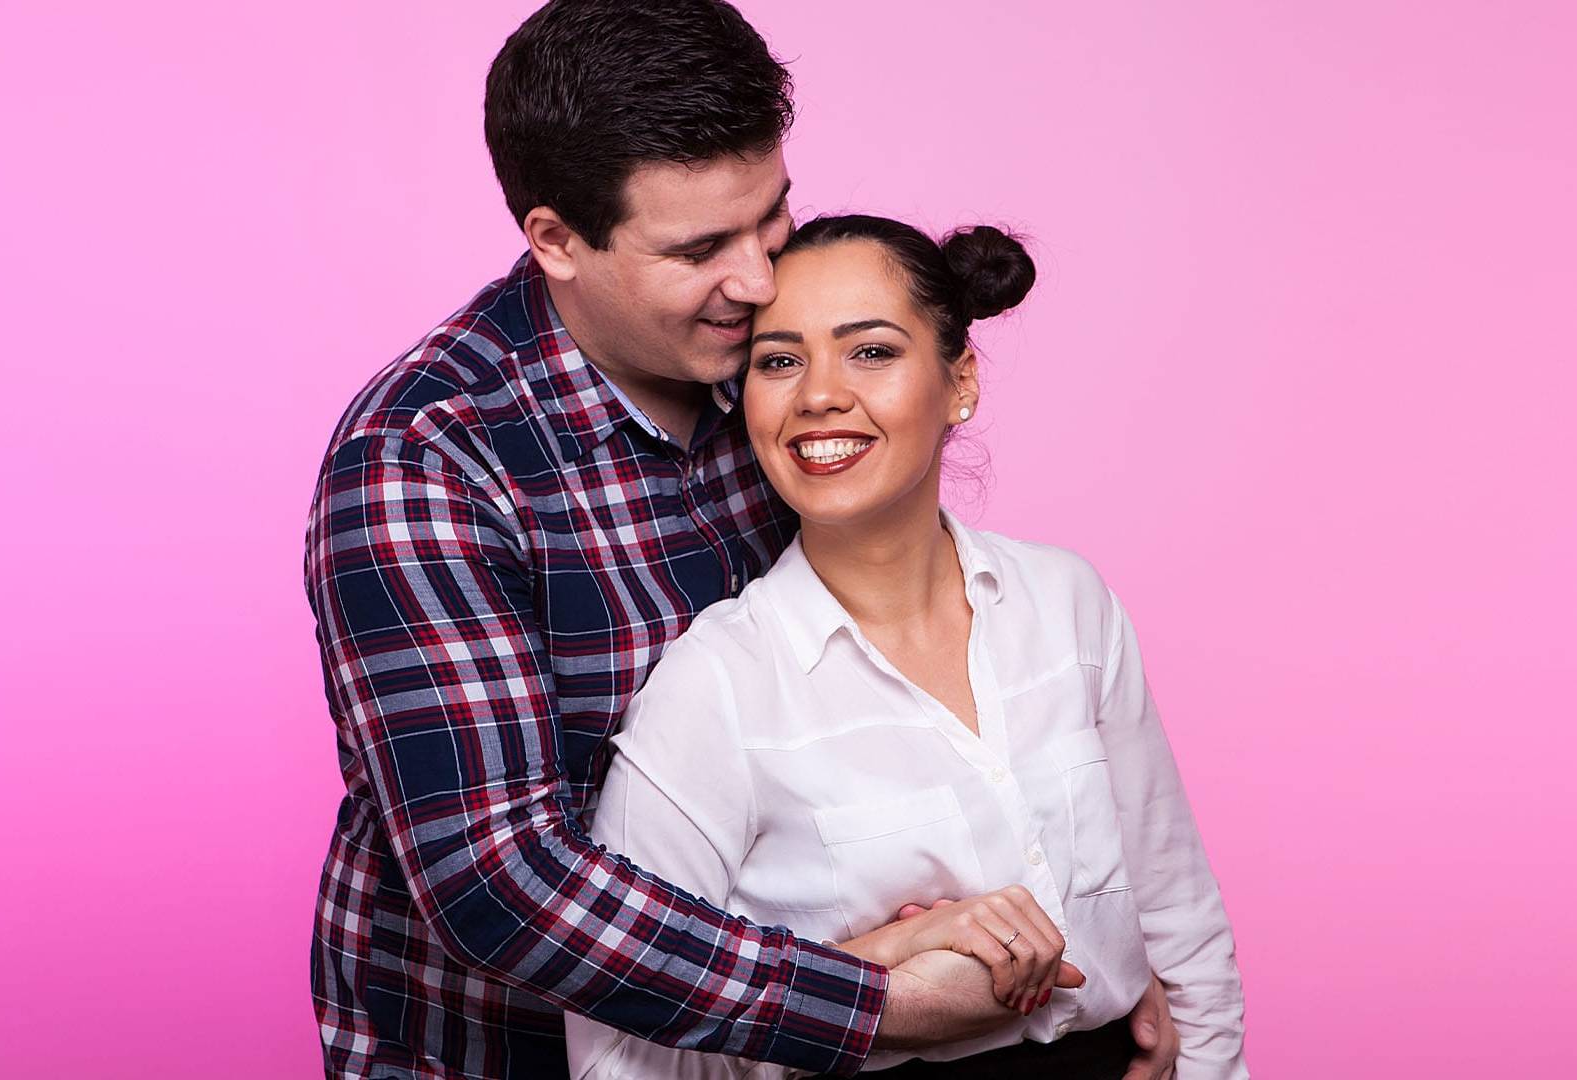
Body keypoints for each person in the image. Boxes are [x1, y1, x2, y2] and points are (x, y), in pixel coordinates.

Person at [306, 3, 1184, 1077]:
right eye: (700, 249)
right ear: (557, 242)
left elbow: (913, 684)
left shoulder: (772, 371)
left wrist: (1110, 967)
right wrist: (872, 1002)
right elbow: (498, 883)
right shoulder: (428, 461)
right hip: (509, 1054)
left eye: (769, 216)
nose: (763, 283)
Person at [565, 216, 1248, 1078]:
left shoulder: (1068, 605)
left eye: (871, 351)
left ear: (959, 380)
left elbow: (1181, 930)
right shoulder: (717, 687)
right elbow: (618, 1052)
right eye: (779, 360)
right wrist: (872, 971)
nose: (818, 394)